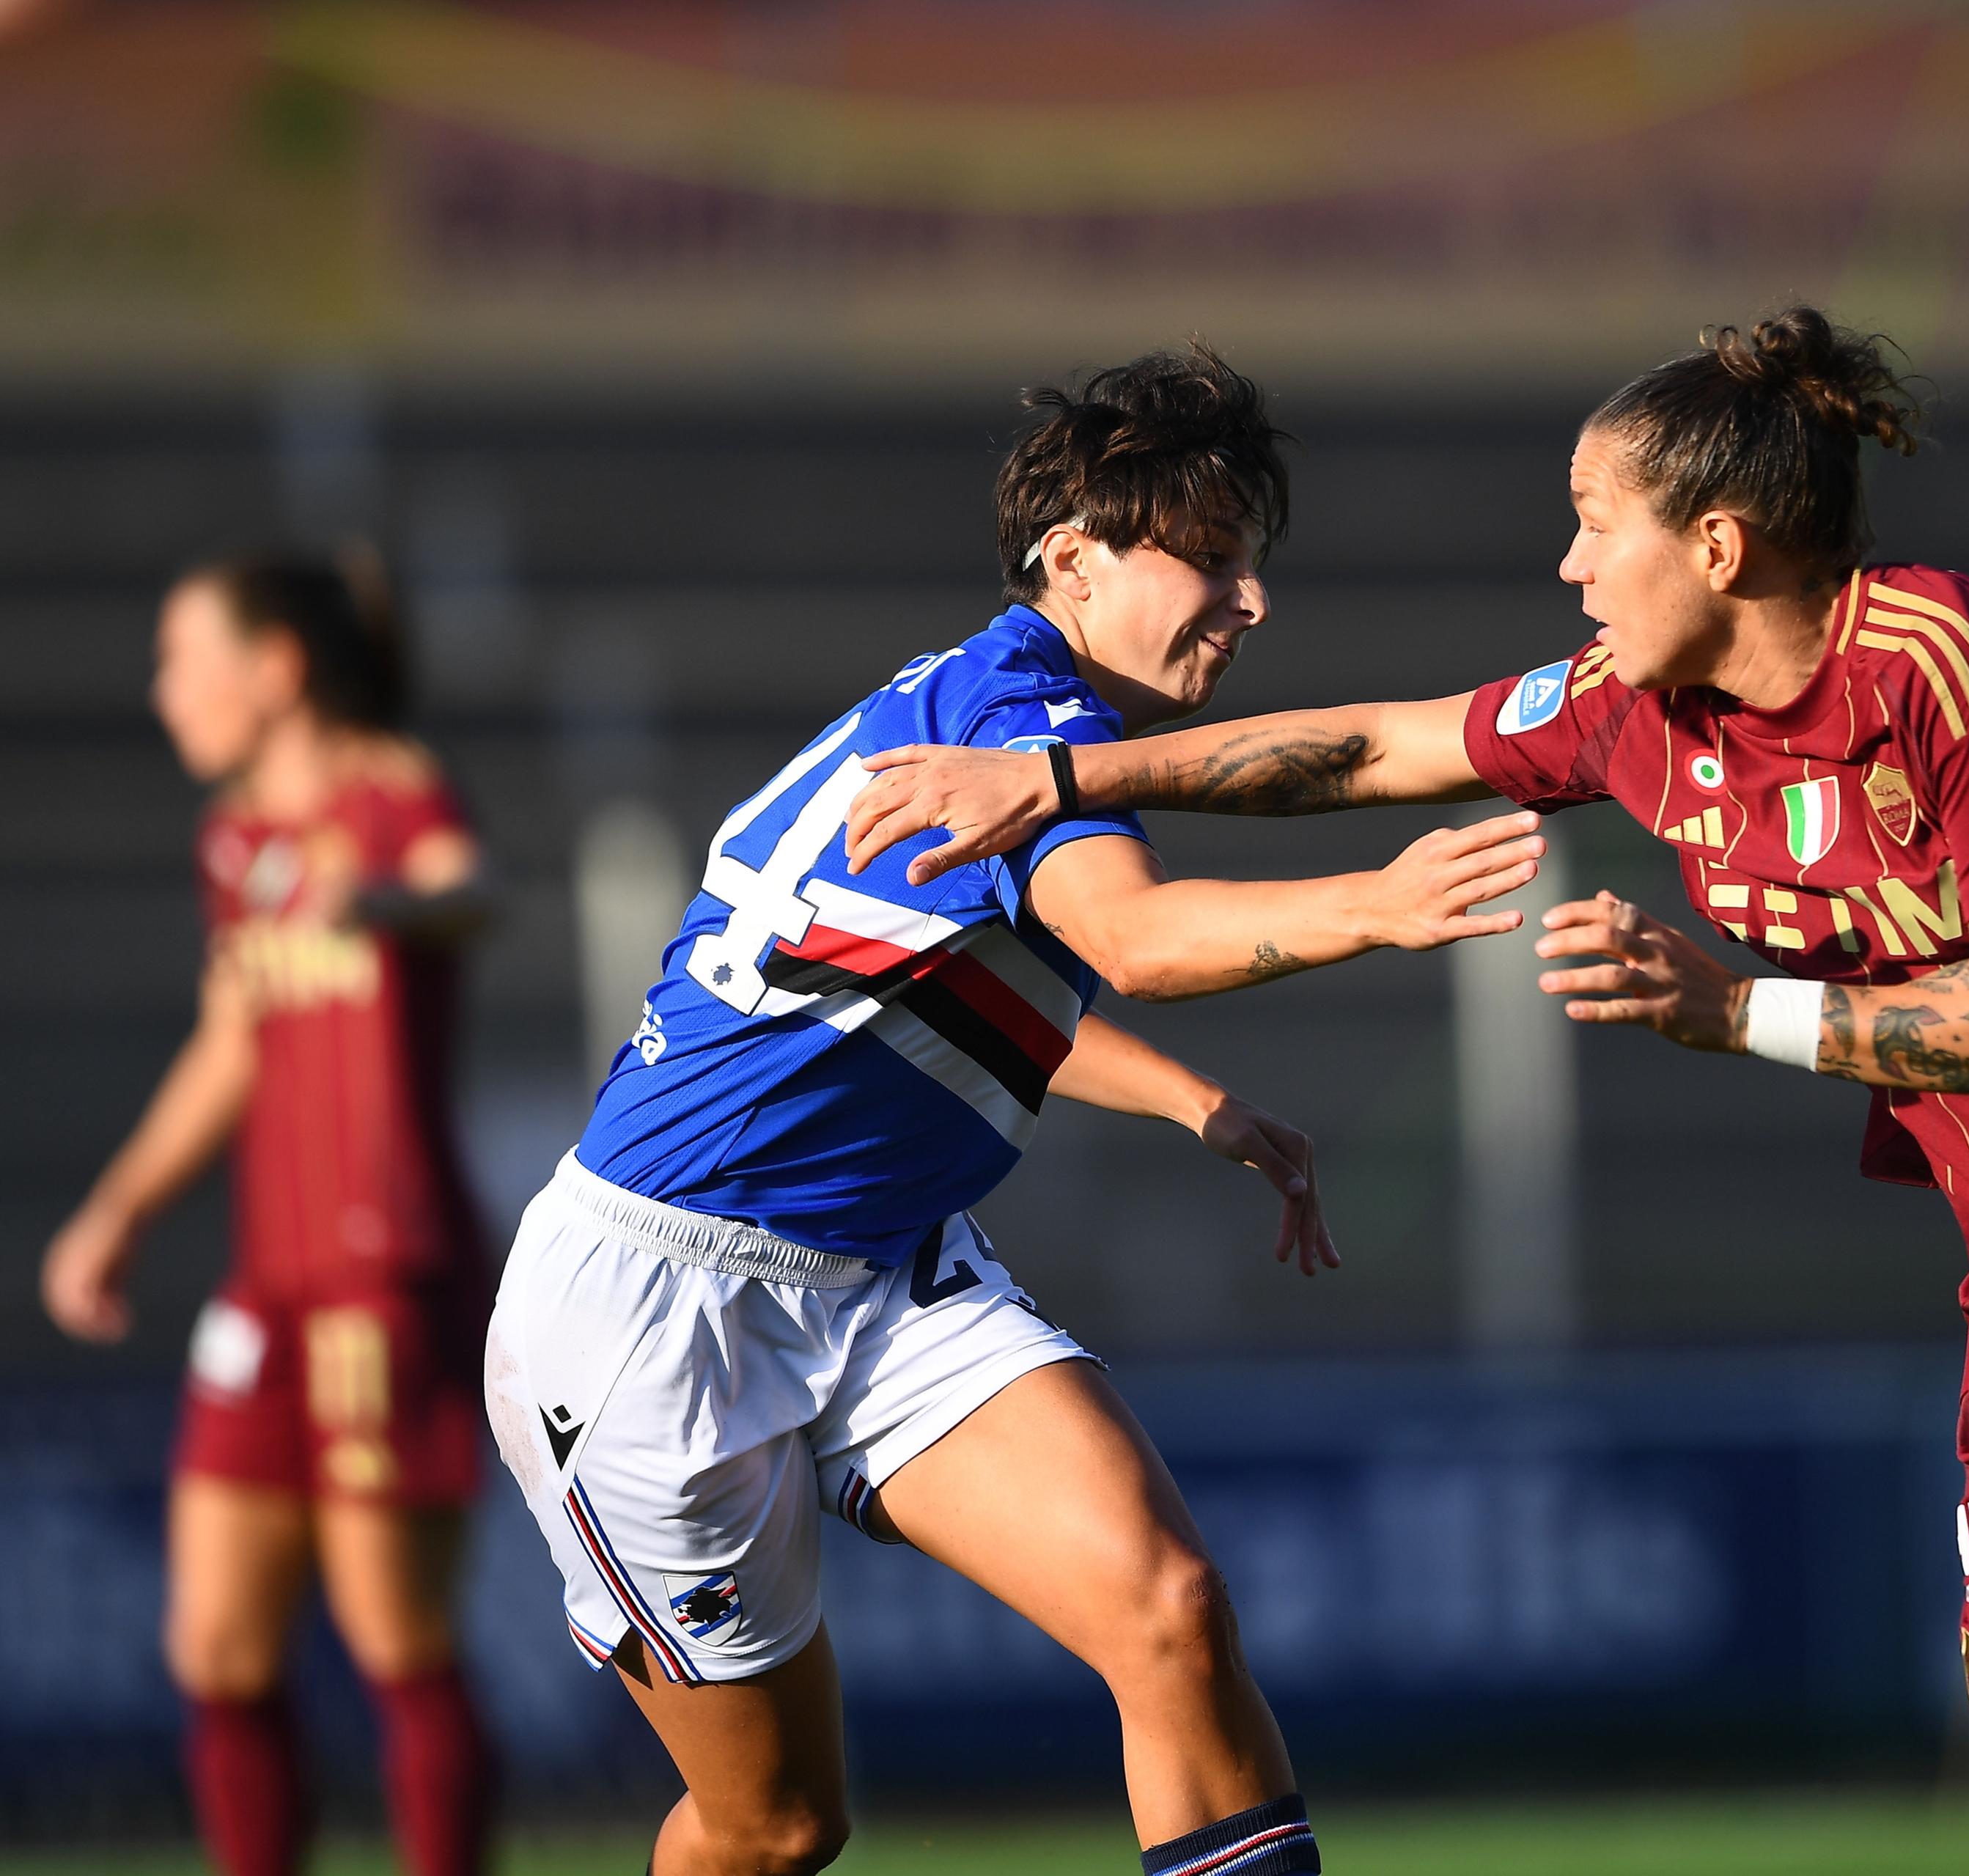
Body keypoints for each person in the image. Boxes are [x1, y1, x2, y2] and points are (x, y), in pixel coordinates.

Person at [839, 310, 1969, 1876]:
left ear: (1720, 536)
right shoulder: (1631, 705)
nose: (1568, 568)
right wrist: (1057, 774)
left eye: (1594, 524)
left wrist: (1731, 1009)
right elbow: (1377, 743)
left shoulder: (1949, 671)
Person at [483, 345, 1542, 1876]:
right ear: (1073, 559)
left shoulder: (1027, 724)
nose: (1251, 602)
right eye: (1216, 560)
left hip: (887, 1265)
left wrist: (1193, 1101)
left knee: (1170, 1607)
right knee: (774, 1825)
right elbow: (1136, 943)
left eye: (1256, 562)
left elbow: (941, 997)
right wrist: (1374, 908)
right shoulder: (1010, 725)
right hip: (661, 1305)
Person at [42, 553, 496, 1876]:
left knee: (393, 1638)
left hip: (385, 1281)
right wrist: (117, 1210)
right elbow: (231, 1043)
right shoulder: (235, 843)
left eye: (184, 660)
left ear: (277, 670)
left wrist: (393, 901)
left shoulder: (389, 795)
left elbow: (474, 892)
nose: (163, 692)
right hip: (267, 1288)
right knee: (217, 1647)